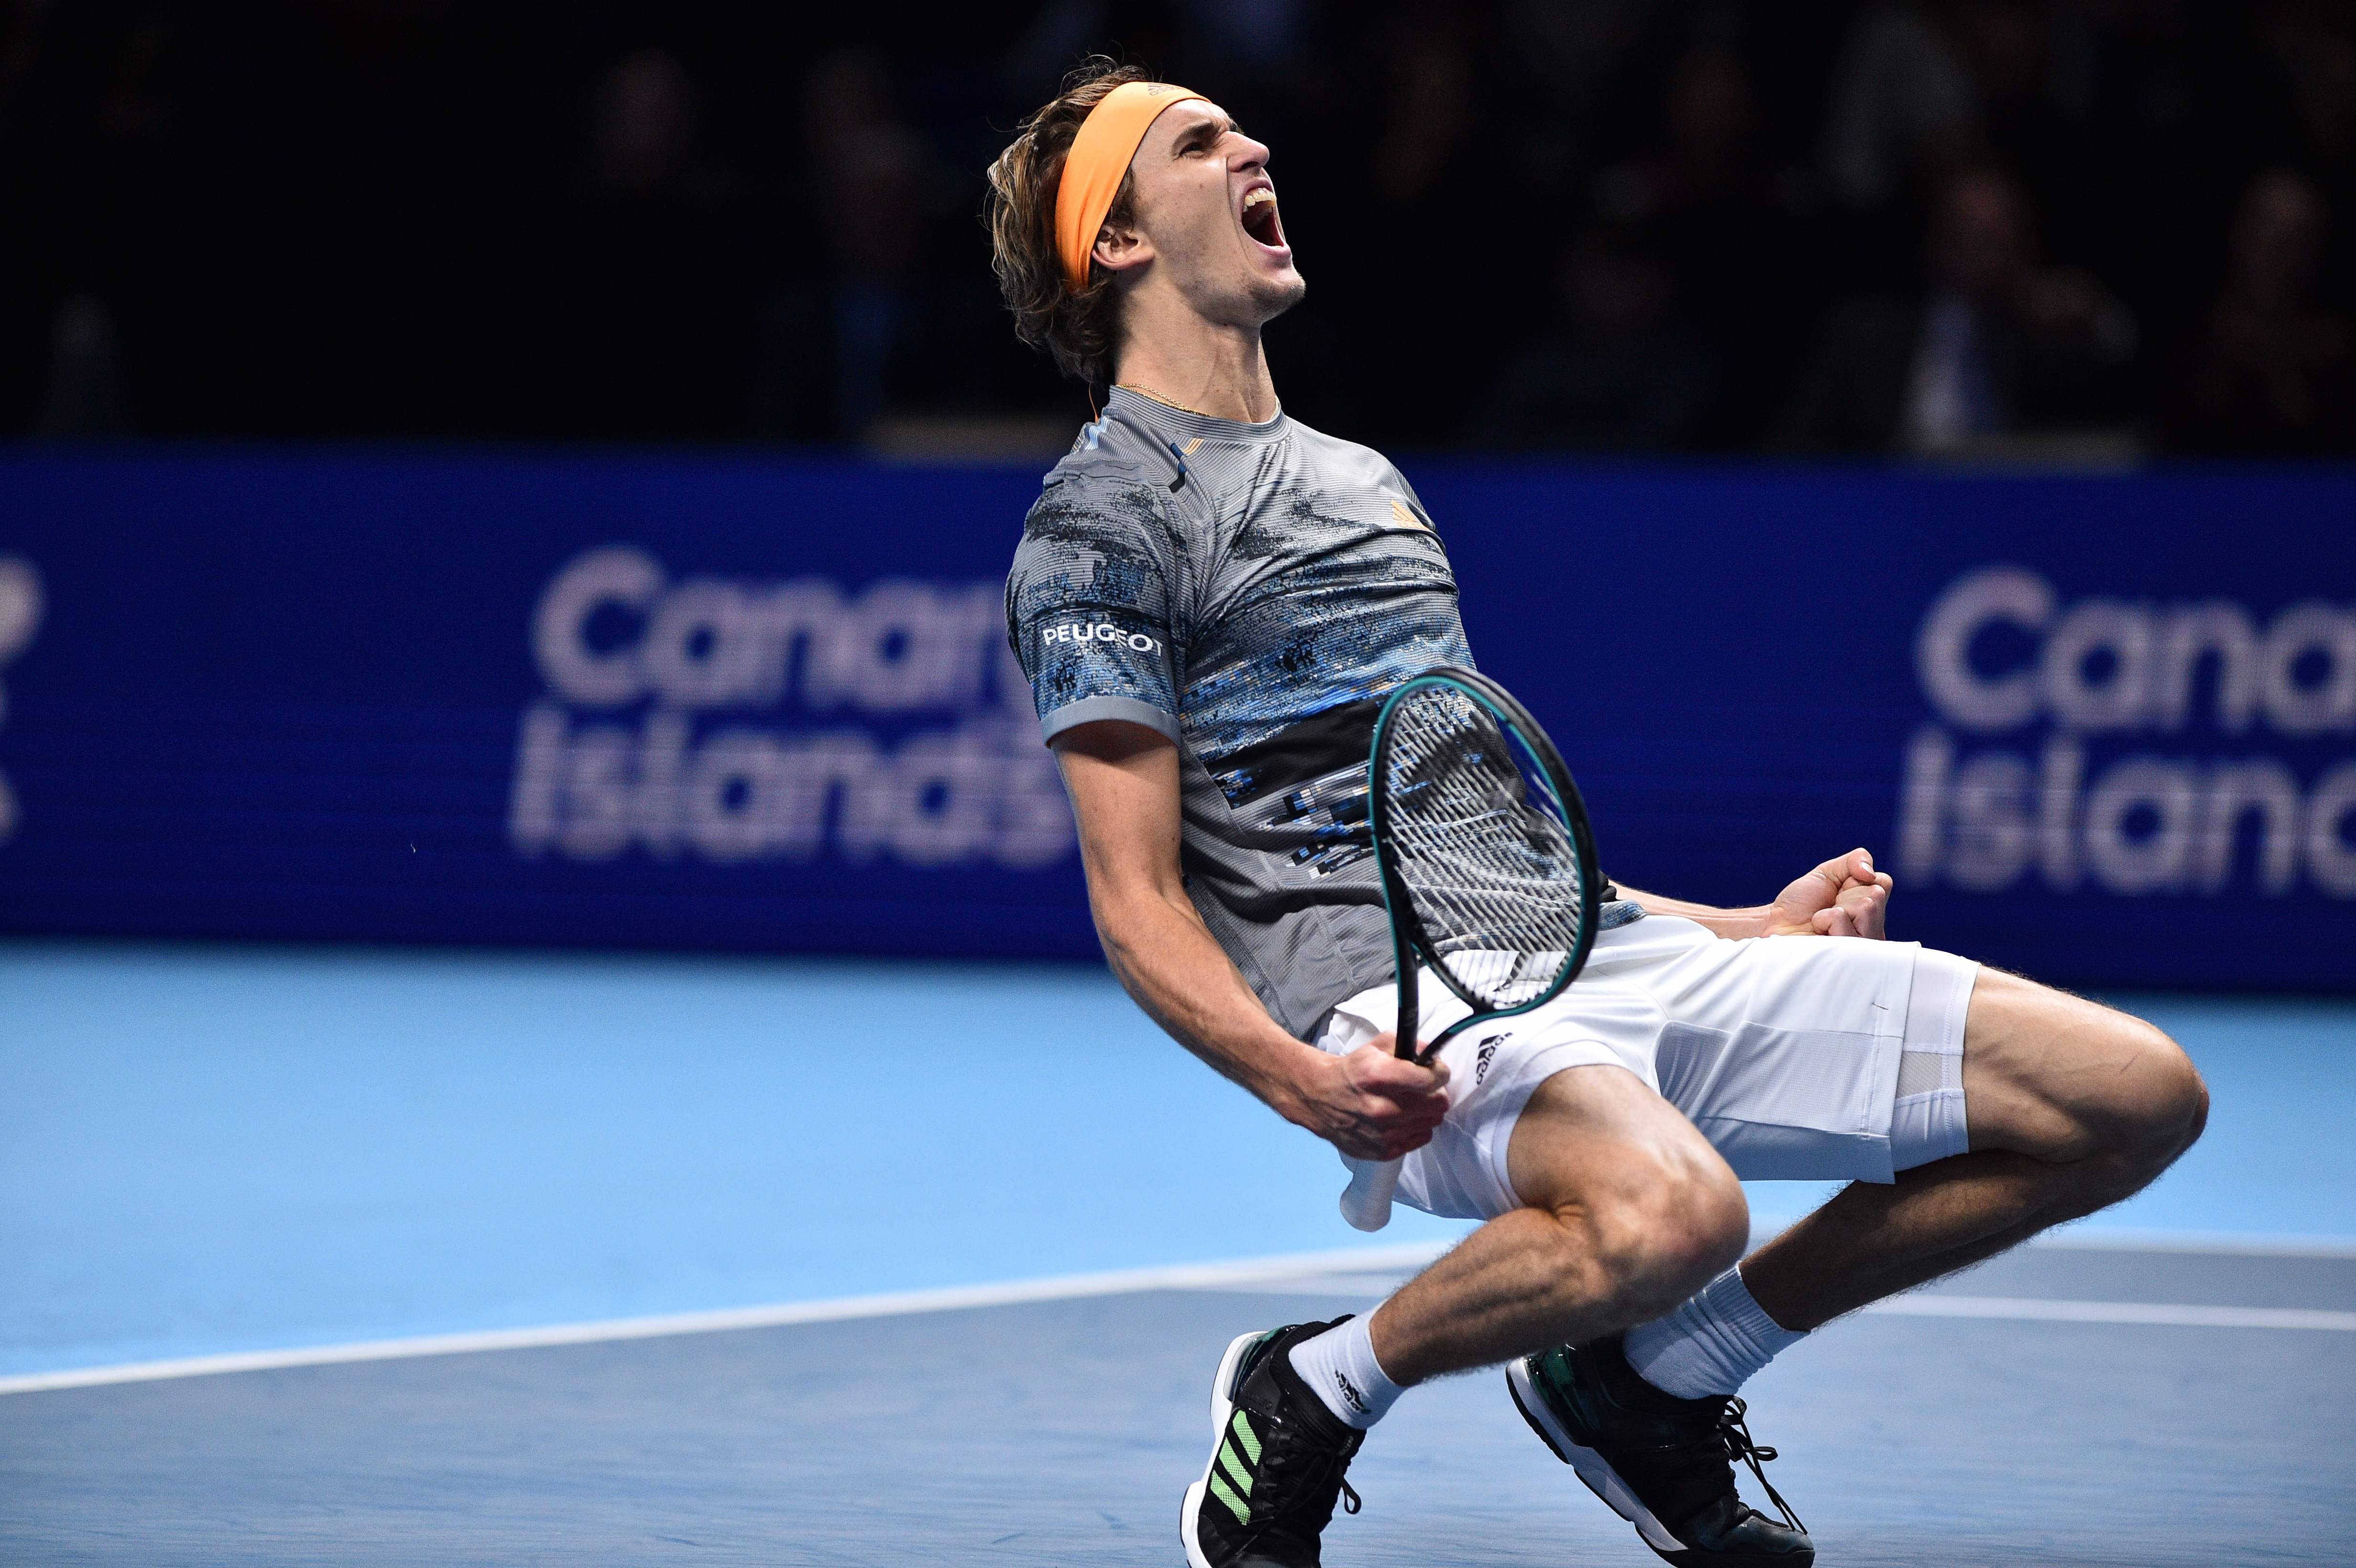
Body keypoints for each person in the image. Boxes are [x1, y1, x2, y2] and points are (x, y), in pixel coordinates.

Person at [986, 61, 2207, 1568]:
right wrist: (1295, 1081)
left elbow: (1487, 837)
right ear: (1114, 242)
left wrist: (1743, 928)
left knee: (2136, 1100)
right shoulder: (1096, 523)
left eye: (1241, 129)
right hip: (1408, 1008)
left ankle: (1657, 1378)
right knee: (1672, 1215)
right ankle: (1317, 1388)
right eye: (1198, 142)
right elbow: (1137, 900)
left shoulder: (1363, 482)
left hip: (1594, 954)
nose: (1252, 150)